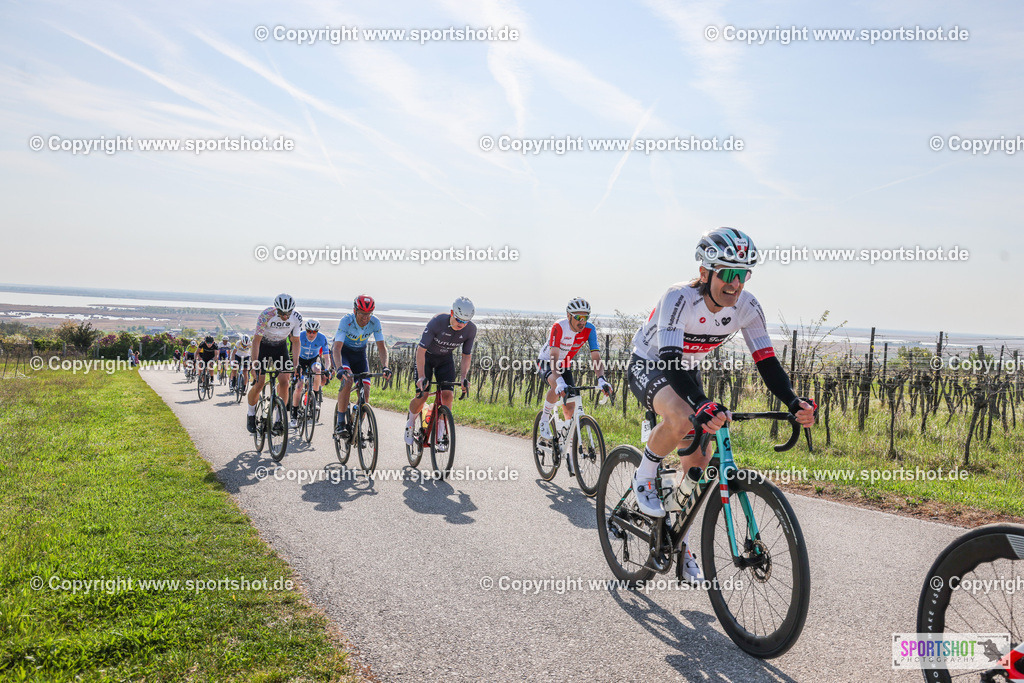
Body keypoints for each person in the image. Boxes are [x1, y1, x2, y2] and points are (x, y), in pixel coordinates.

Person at [627, 227, 817, 581]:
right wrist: (700, 404)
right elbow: (669, 358)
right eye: (727, 274)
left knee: (696, 466)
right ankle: (646, 471)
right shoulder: (679, 298)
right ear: (705, 272)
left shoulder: (747, 306)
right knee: (684, 418)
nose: (735, 284)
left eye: (742, 275)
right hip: (652, 362)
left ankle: (676, 543)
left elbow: (766, 362)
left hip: (686, 371)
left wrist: (793, 401)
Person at [536, 298, 612, 452]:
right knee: (556, 384)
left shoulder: (589, 330)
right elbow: (553, 358)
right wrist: (559, 381)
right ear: (568, 315)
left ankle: (567, 438)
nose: (582, 321)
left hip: (564, 364)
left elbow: (596, 357)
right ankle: (544, 418)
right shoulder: (559, 327)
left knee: (570, 407)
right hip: (546, 361)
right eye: (578, 317)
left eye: (586, 317)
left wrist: (601, 378)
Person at [404, 297, 476, 445]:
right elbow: (421, 351)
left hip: (445, 360)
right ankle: (410, 422)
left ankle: (441, 433)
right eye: (458, 320)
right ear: (451, 313)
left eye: (465, 321)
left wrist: (463, 377)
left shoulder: (471, 329)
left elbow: (466, 355)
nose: (461, 324)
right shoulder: (437, 322)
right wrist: (422, 376)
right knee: (423, 395)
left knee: (448, 396)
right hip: (427, 358)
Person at [332, 295, 391, 436]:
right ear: (354, 311)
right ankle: (340, 423)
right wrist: (339, 368)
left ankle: (357, 425)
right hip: (343, 354)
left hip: (359, 355)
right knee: (348, 380)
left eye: (368, 314)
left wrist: (385, 367)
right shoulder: (346, 321)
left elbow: (382, 348)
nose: (365, 318)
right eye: (362, 314)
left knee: (366, 389)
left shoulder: (375, 323)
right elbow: (336, 348)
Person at [246, 294, 302, 434]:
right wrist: (254, 364)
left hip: (280, 347)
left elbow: (295, 341)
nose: (285, 316)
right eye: (282, 313)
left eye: (288, 313)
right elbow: (256, 341)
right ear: (277, 309)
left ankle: (278, 419)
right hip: (263, 347)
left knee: (284, 381)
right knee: (259, 382)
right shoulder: (266, 315)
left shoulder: (296, 317)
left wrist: (296, 364)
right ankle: (251, 413)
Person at [291, 319, 330, 428]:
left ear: (317, 331)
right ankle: (293, 415)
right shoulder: (300, 336)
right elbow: (294, 352)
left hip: (314, 359)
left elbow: (327, 358)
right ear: (306, 330)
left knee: (318, 370)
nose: (311, 334)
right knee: (299, 387)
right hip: (301, 360)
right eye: (309, 331)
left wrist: (326, 369)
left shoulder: (322, 338)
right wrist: (296, 367)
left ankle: (315, 400)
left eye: (314, 331)